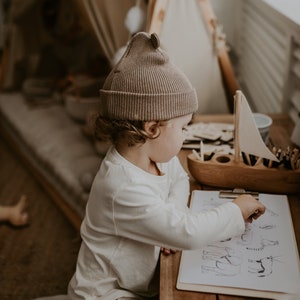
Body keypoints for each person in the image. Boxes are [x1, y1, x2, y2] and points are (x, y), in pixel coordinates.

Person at [37, 32, 265, 300]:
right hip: (106, 294)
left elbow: (180, 181)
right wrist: (236, 211)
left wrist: (169, 221)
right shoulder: (120, 186)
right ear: (153, 128)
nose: (186, 135)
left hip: (135, 285)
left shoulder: (159, 160)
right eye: (182, 127)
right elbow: (188, 233)